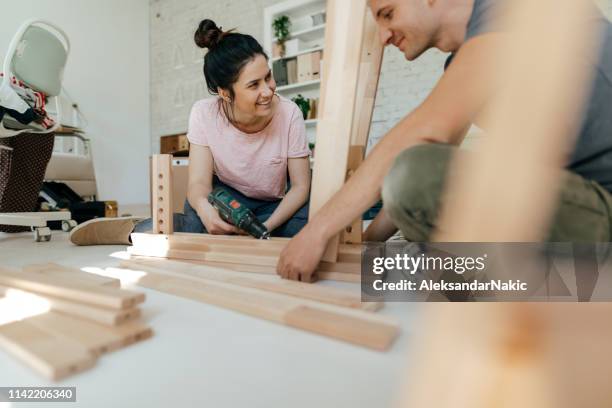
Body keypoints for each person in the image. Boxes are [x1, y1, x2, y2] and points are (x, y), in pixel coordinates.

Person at [277, 0, 612, 281]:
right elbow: (437, 150)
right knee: (402, 257)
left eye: (388, 13)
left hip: (602, 211)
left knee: (416, 176)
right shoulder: (468, 59)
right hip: (579, 206)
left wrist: (316, 231)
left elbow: (424, 137)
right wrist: (366, 246)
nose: (382, 36)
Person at [70, 19, 311, 245]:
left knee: (306, 225)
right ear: (225, 93)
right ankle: (133, 229)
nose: (268, 91)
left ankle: (218, 232)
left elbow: (300, 187)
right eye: (253, 85)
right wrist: (206, 212)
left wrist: (265, 227)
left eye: (267, 77)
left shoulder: (289, 114)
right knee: (197, 224)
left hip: (272, 204)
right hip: (226, 198)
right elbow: (198, 184)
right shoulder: (204, 114)